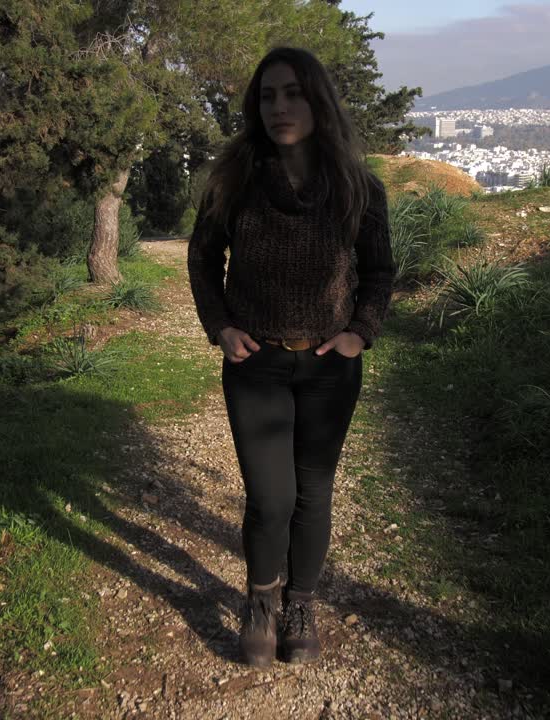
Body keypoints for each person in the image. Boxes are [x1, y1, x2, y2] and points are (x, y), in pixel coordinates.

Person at [186, 46, 394, 667]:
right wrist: (219, 326)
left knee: (314, 493)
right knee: (270, 498)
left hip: (331, 367)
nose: (280, 107)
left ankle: (301, 602)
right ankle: (261, 599)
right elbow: (202, 260)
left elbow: (380, 272)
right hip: (258, 365)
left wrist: (360, 331)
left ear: (319, 101)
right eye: (269, 95)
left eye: (294, 93)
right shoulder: (234, 182)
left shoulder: (359, 186)